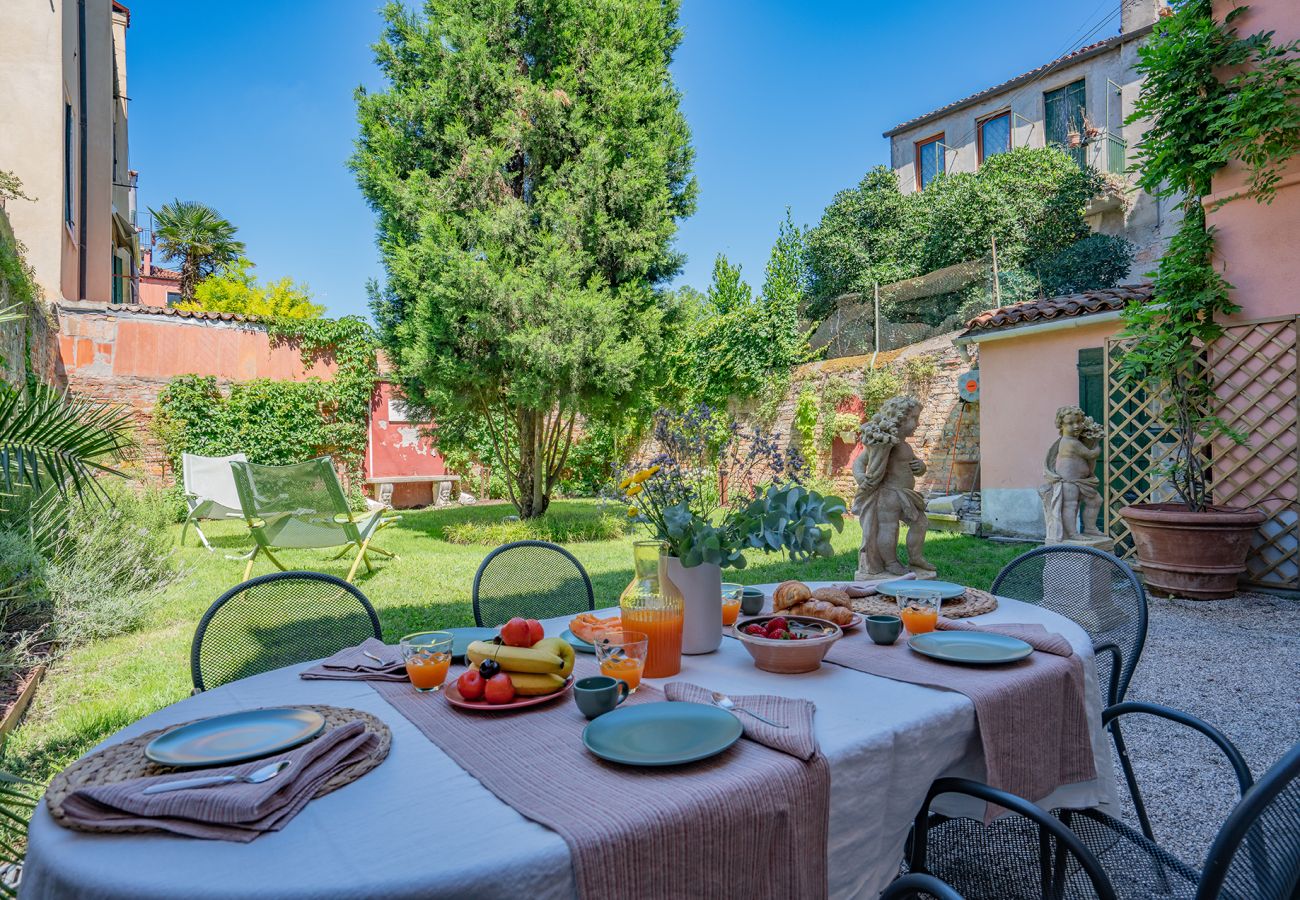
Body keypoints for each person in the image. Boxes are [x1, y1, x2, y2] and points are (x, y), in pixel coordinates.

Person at [851, 395, 935, 579]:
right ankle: (890, 563)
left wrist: (921, 466)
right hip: (888, 495)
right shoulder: (884, 443)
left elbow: (914, 465)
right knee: (889, 527)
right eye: (914, 418)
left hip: (905, 494)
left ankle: (916, 558)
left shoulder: (905, 446)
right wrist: (860, 477)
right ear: (900, 419)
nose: (918, 423)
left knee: (920, 522)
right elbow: (859, 462)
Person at [1039, 405, 1105, 542]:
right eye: (1070, 423)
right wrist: (1097, 444)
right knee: (1071, 506)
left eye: (1079, 422)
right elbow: (1090, 454)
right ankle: (1072, 534)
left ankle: (1090, 528)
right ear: (1061, 425)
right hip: (1069, 482)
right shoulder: (1070, 442)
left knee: (1095, 500)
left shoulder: (1075, 440)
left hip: (1081, 481)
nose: (1076, 426)